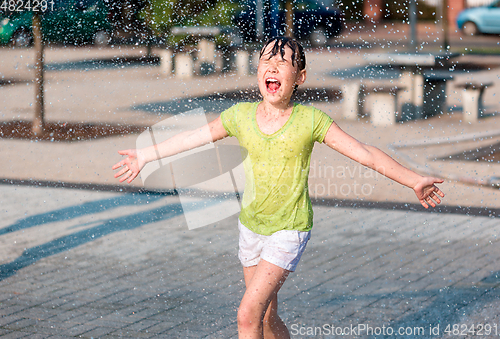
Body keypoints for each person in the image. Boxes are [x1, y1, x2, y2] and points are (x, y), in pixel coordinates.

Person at [112, 37, 445, 339]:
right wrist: (146, 154)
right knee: (267, 318)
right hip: (251, 227)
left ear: (299, 77)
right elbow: (192, 137)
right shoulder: (239, 115)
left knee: (246, 316)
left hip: (289, 230)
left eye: (283, 61)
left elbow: (366, 154)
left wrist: (413, 179)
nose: (272, 66)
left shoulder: (310, 120)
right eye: (266, 60)